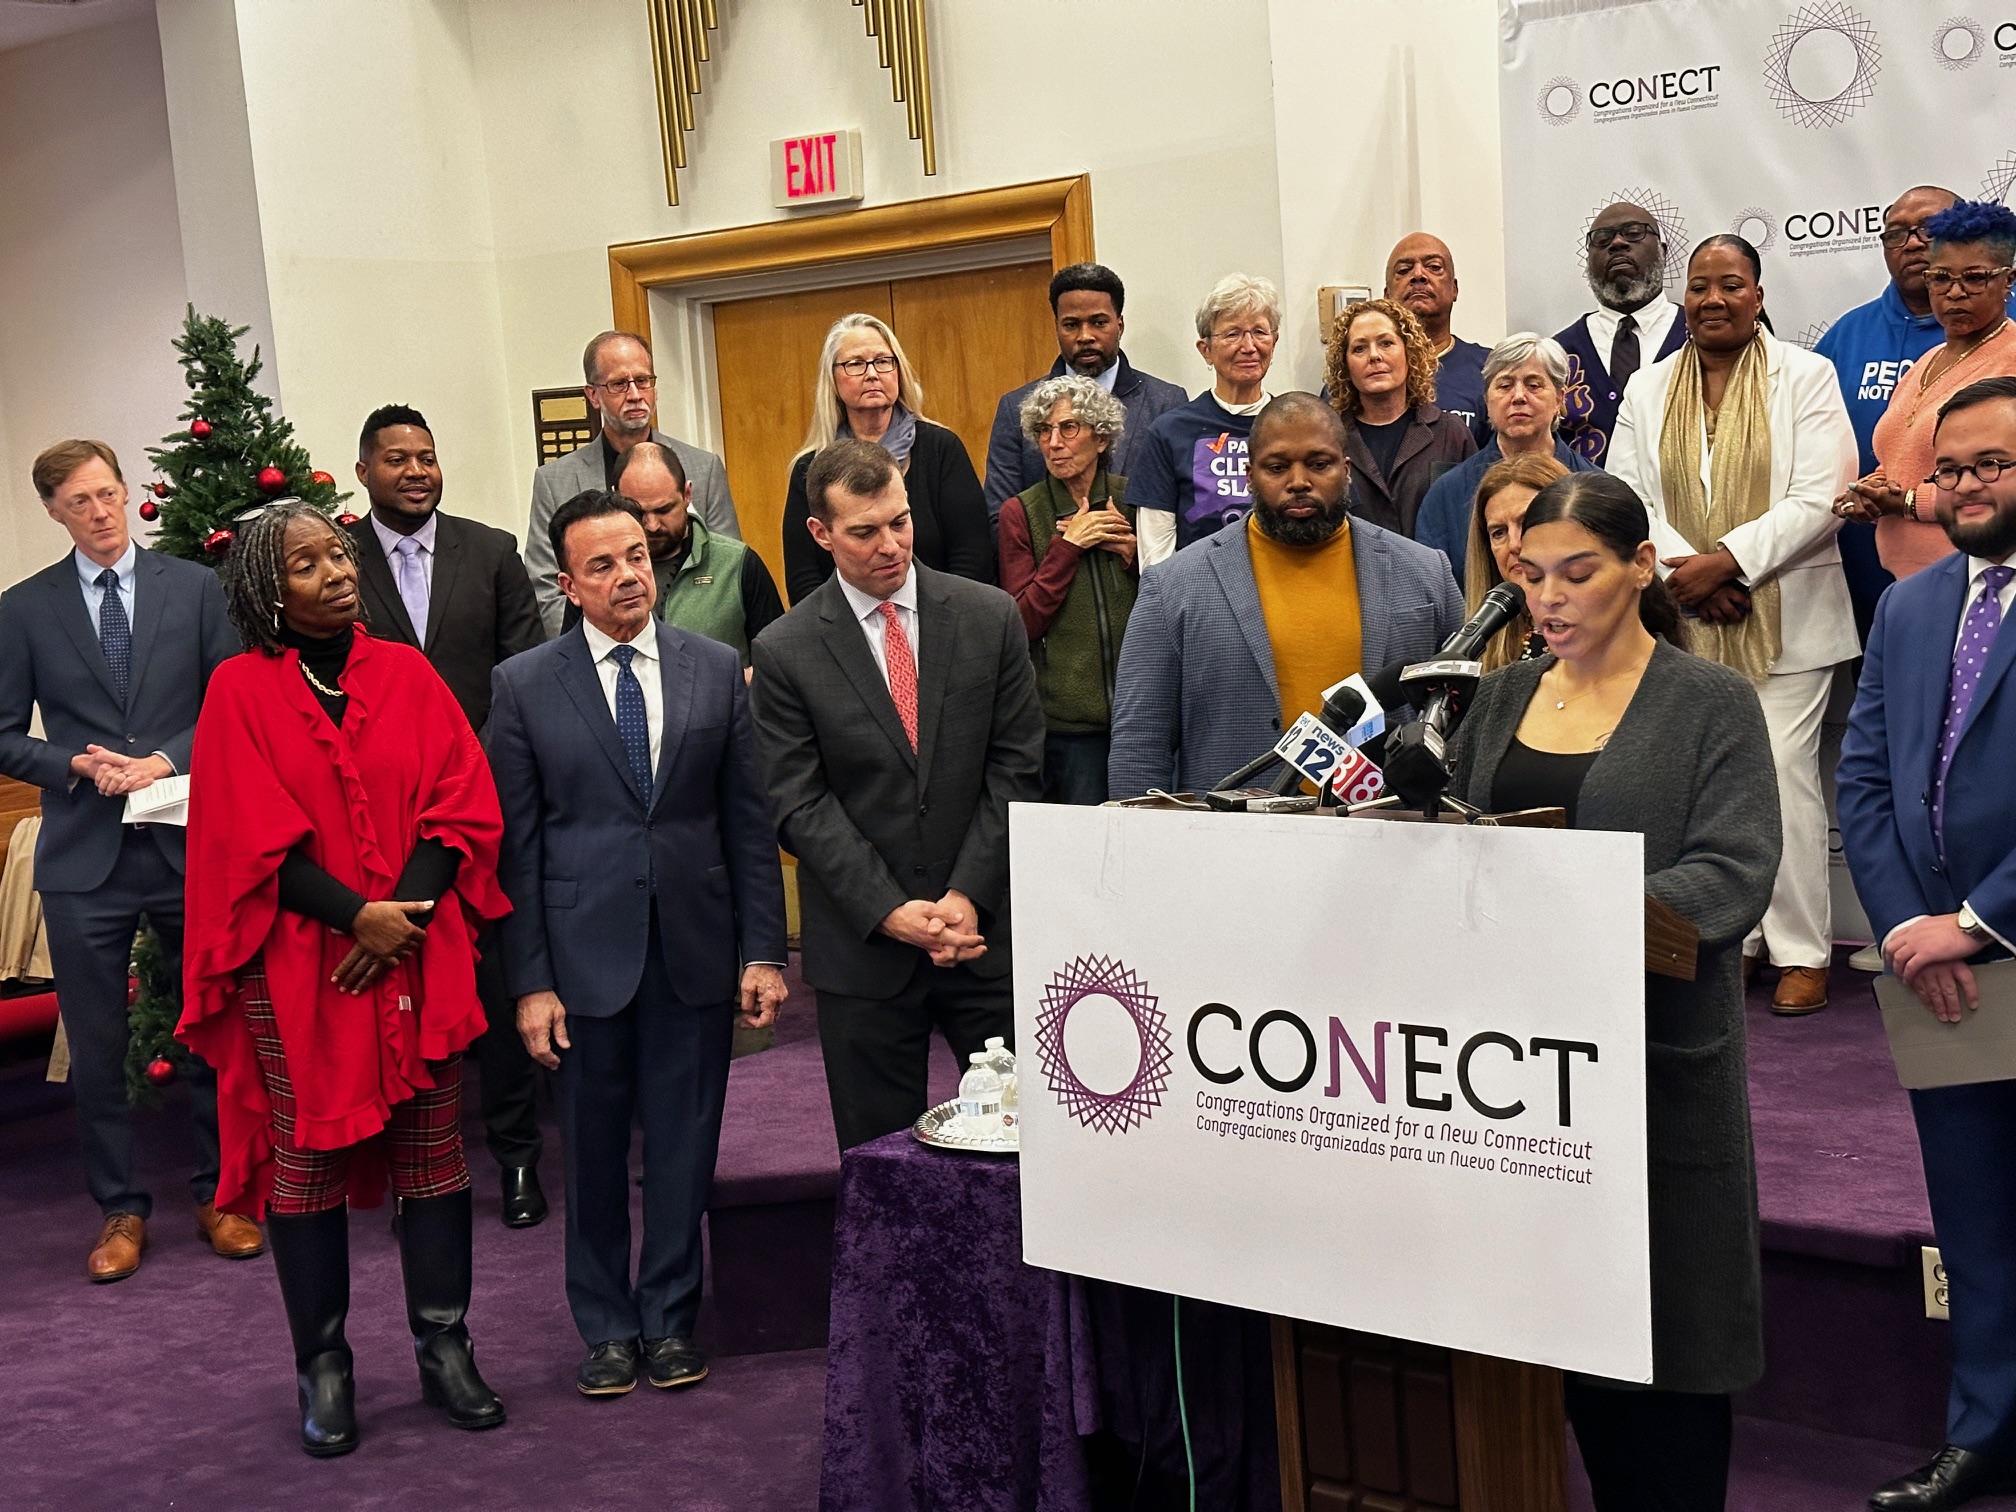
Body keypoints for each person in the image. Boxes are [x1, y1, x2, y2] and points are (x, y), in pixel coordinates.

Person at [1448, 471, 1776, 1512]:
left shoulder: (1708, 701)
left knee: (1666, 1363)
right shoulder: (1497, 695)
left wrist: (1570, 915)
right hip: (1521, 1075)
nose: (1549, 598)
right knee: (1567, 1351)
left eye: (1577, 573)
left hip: (1654, 1068)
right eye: (1530, 574)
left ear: (1640, 569)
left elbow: (1731, 871)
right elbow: (1453, 847)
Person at [179, 502, 513, 1457]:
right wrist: (350, 915)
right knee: (307, 1162)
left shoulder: (404, 672)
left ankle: (444, 1346)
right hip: (299, 965)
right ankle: (322, 1364)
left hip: (413, 950)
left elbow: (463, 793)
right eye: (306, 563)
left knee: (435, 1152)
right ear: (262, 590)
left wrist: (398, 918)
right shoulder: (238, 693)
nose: (335, 571)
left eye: (338, 552)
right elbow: (240, 834)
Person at [488, 489, 788, 1398]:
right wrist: (530, 982)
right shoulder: (526, 683)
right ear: (568, 584)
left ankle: (668, 1319)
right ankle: (606, 1327)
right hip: (581, 963)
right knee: (590, 1145)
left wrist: (764, 951)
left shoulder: (712, 665)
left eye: (638, 557)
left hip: (694, 948)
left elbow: (748, 822)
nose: (629, 576)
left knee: (685, 1147)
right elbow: (518, 846)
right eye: (603, 566)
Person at [0, 439, 254, 1281]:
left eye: (110, 495)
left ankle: (221, 1193)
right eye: (81, 502)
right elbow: (4, 735)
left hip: (187, 842)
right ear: (54, 512)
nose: (103, 513)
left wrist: (170, 759)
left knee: (211, 1030)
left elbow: (232, 697)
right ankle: (120, 1209)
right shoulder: (24, 608)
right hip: (85, 856)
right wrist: (68, 761)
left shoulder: (194, 587)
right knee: (100, 1046)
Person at [752, 440, 1044, 1151]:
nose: (891, 545)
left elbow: (1018, 769)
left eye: (900, 521)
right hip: (863, 953)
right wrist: (888, 911)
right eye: (864, 531)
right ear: (820, 535)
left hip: (983, 934)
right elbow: (798, 803)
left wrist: (966, 894)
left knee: (1027, 1156)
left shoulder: (988, 616)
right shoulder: (785, 650)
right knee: (879, 1165)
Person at [1839, 376, 2016, 1512]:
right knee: (1973, 1211)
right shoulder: (1909, 602)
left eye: (1993, 464)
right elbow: (1863, 776)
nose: (1966, 487)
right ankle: (1985, 1429)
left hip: (1991, 933)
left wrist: (1978, 920)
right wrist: (1909, 923)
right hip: (1938, 973)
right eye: (1950, 469)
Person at [1610, 235, 1859, 1016]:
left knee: (1782, 780)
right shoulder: (1647, 390)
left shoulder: (1807, 375)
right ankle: (1734, 938)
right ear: (1683, 299)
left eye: (1730, 285)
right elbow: (1627, 498)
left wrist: (1734, 562)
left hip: (1789, 619)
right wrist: (1692, 575)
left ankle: (1800, 950)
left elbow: (1825, 494)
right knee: (1704, 787)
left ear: (1757, 296)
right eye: (1699, 286)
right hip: (1686, 616)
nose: (1712, 299)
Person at [345, 404, 551, 1230]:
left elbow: (524, 671)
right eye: (397, 459)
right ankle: (415, 1176)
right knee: (404, 995)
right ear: (364, 472)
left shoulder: (492, 550)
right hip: (381, 816)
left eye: (427, 456)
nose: (417, 471)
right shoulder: (338, 558)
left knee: (498, 993)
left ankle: (518, 1161)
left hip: (483, 807)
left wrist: (469, 765)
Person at [1107, 394, 1464, 797]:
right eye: (1277, 468)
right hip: (1233, 843)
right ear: (1249, 475)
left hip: (1388, 831)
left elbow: (1468, 727)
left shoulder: (1424, 572)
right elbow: (1139, 745)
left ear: (1346, 470)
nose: (1298, 482)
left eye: (1319, 464)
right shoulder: (1173, 585)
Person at [1834, 201, 2016, 583]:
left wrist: (1907, 504)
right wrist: (1871, 490)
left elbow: (2003, 483)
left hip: (1983, 580)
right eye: (1941, 278)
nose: (1955, 292)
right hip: (1907, 583)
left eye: (1975, 278)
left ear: (2008, 280)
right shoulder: (1928, 361)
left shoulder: (2011, 359)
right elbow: (1903, 461)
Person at [1814, 186, 1965, 632]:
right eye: (1896, 233)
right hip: (1865, 577)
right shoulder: (1848, 334)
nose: (1913, 243)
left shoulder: (2005, 331)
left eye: (1929, 229)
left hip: (1980, 566)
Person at [525, 330, 739, 634]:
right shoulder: (555, 481)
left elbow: (728, 571)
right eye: (619, 384)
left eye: (643, 380)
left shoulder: (703, 468)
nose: (635, 394)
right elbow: (545, 587)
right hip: (598, 647)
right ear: (593, 395)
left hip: (692, 642)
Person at [781, 313, 991, 603]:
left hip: (942, 620)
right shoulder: (811, 467)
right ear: (832, 379)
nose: (872, 373)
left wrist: (941, 622)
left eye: (883, 361)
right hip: (847, 632)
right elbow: (804, 577)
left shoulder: (940, 448)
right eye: (855, 363)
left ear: (898, 371)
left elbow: (972, 554)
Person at [997, 374, 1138, 805]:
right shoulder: (1021, 512)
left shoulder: (1134, 498)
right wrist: (1067, 547)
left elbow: (1173, 602)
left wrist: (1138, 559)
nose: (1053, 442)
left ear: (1101, 438)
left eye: (1068, 428)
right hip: (1068, 731)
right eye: (1044, 430)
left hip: (1142, 719)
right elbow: (1020, 622)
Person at [983, 262, 1185, 522]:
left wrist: (1135, 549)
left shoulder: (1165, 402)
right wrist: (1068, 546)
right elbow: (999, 517)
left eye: (1099, 322)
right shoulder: (1016, 408)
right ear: (1056, 327)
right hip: (1048, 558)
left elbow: (1179, 508)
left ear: (1120, 325)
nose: (1085, 336)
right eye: (1071, 325)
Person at [561, 442, 783, 666]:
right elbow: (568, 662)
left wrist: (732, 681)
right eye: (639, 512)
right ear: (616, 497)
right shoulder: (592, 578)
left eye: (664, 510)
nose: (653, 525)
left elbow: (778, 662)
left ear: (687, 494)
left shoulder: (737, 564)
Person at [1416, 332, 1599, 581]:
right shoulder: (1448, 495)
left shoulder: (1595, 489)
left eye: (1534, 385)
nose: (1519, 396)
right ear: (1486, 401)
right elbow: (1434, 589)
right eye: (1504, 385)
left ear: (1559, 398)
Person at [1130, 273, 1281, 567]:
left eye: (1259, 332)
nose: (1249, 346)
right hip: (1201, 595)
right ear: (1206, 350)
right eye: (1233, 334)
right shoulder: (1169, 432)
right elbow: (1155, 555)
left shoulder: (1296, 426)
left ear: (1273, 343)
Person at [1325, 297, 1476, 539]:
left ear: (1409, 353)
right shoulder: (1329, 439)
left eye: (1386, 343)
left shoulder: (1451, 434)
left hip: (1433, 574)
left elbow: (1471, 524)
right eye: (1359, 348)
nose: (1374, 356)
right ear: (1345, 364)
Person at [1554, 200, 1689, 465]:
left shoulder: (1699, 340)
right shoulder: (1558, 354)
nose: (1617, 244)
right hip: (1584, 505)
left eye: (1634, 233)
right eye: (1602, 239)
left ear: (1663, 251)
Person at [1463, 452, 1571, 672]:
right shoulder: (1479, 646)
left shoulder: (1601, 635)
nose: (1514, 544)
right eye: (1499, 532)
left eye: (1526, 522)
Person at [1385, 232, 1491, 438]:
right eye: (1404, 270)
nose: (1418, 275)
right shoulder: (1363, 371)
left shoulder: (1491, 370)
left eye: (1434, 267)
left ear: (1454, 289)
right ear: (1387, 296)